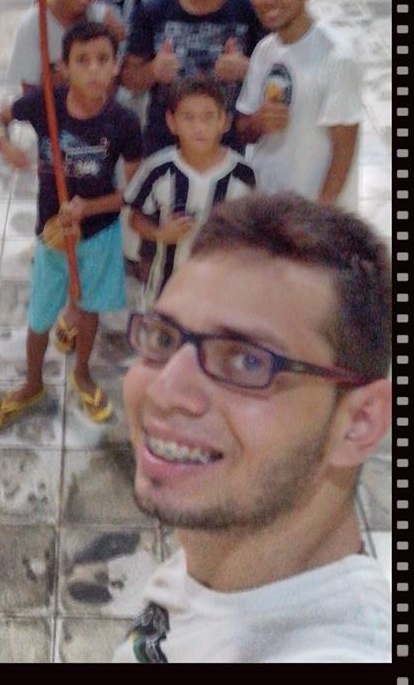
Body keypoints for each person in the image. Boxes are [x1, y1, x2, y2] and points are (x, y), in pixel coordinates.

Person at [114, 193, 392, 663]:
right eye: (163, 337)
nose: (163, 391)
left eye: (247, 361)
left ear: (358, 423)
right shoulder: (228, 553)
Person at [0, 21, 142, 428]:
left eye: (103, 60)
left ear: (116, 65)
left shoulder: (124, 122)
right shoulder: (46, 105)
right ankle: (33, 382)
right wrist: (4, 144)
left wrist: (88, 208)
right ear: (64, 68)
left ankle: (83, 373)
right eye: (82, 60)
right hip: (52, 236)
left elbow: (132, 191)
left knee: (89, 309)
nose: (93, 70)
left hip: (99, 234)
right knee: (40, 315)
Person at [120, 0, 265, 156]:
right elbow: (128, 79)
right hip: (164, 150)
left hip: (227, 151)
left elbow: (277, 79)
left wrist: (248, 70)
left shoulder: (251, 13)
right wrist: (153, 71)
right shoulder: (151, 12)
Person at [236, 0, 361, 210]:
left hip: (313, 215)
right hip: (269, 206)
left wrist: (318, 217)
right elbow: (244, 129)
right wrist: (258, 122)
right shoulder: (264, 50)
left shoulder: (337, 57)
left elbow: (343, 152)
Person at [125, 76, 255, 305]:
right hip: (167, 289)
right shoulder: (157, 170)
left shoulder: (243, 175)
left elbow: (251, 231)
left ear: (223, 121)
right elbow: (135, 219)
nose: (198, 127)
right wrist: (159, 234)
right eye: (188, 117)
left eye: (208, 117)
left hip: (221, 294)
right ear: (171, 121)